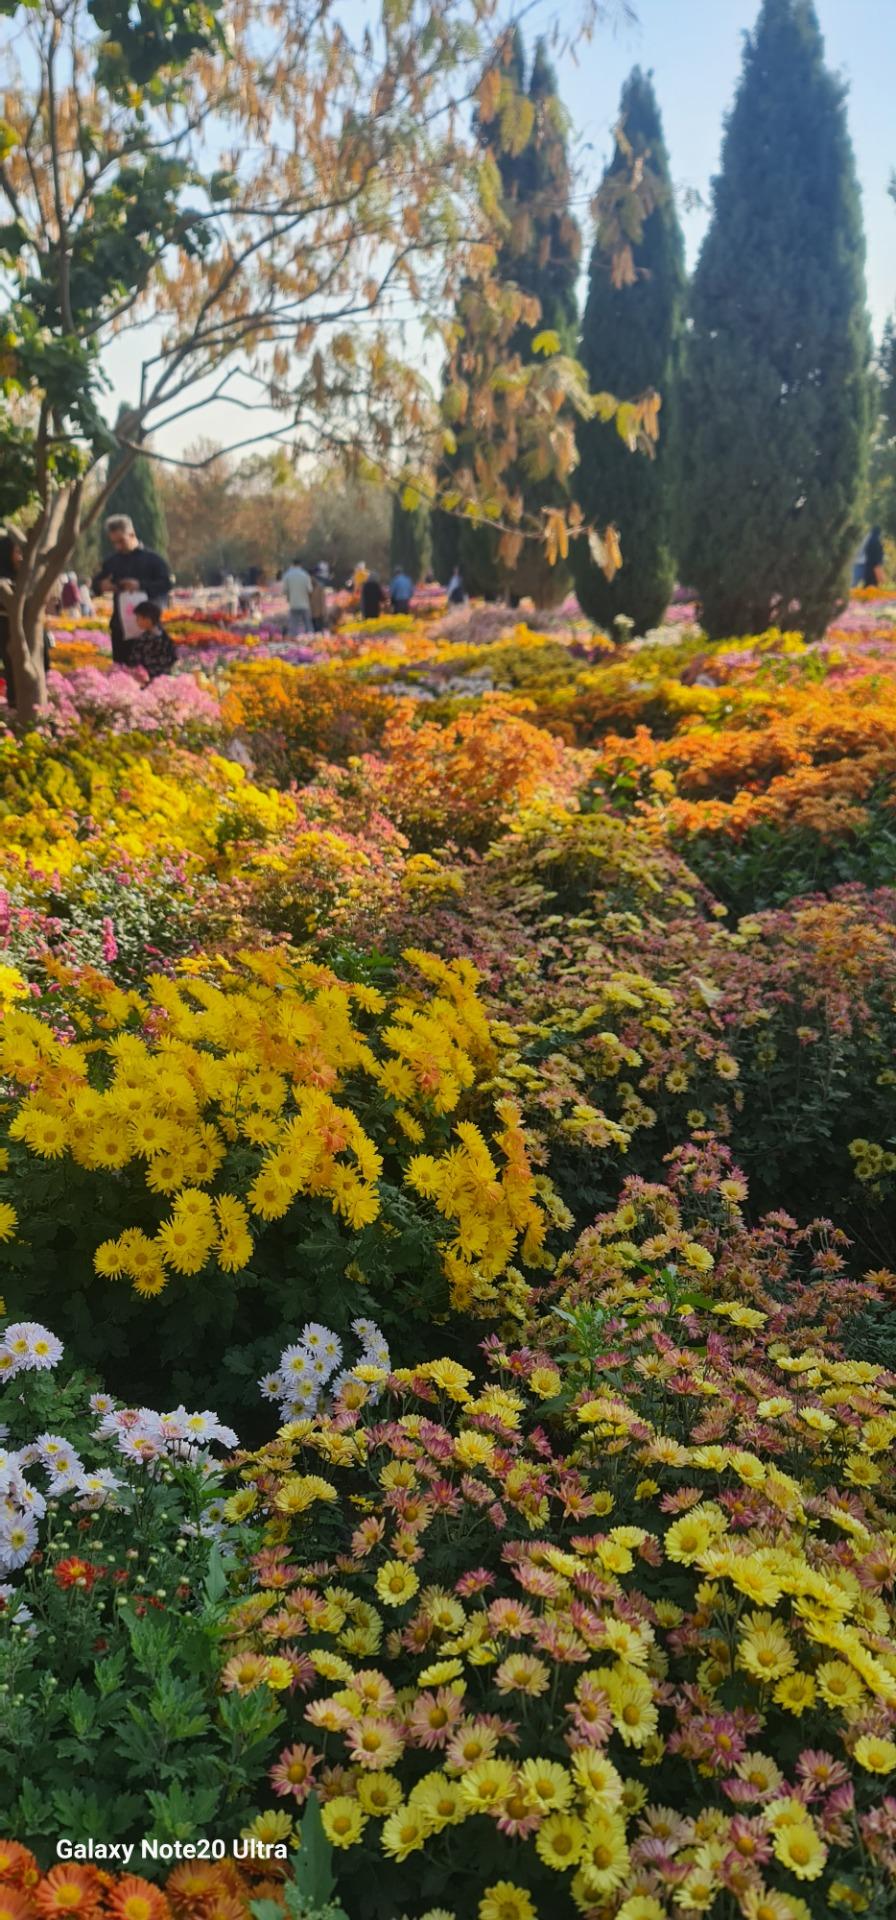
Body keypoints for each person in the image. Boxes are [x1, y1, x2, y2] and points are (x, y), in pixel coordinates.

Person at [92, 514, 173, 664]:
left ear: (132, 534)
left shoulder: (153, 560)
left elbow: (166, 584)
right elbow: (96, 584)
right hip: (121, 629)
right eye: (114, 542)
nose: (118, 546)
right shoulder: (112, 561)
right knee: (122, 675)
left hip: (148, 629)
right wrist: (102, 585)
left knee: (148, 674)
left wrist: (140, 585)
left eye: (121, 541)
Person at [0, 528, 52, 710]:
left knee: (41, 673)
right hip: (10, 632)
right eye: (17, 552)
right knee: (16, 675)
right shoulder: (4, 579)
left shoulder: (30, 574)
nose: (22, 557)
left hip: (35, 632)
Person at [124, 601, 177, 680]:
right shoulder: (165, 635)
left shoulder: (144, 639)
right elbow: (173, 657)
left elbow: (134, 660)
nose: (136, 621)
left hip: (147, 676)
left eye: (138, 618)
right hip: (165, 675)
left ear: (147, 620)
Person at [281, 556, 313, 635]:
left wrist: (290, 596)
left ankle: (293, 643)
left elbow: (284, 590)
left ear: (293, 564)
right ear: (300, 564)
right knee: (308, 625)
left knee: (293, 626)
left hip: (293, 604)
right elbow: (310, 590)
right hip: (305, 604)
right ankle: (311, 640)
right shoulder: (305, 575)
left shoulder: (287, 575)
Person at [310, 568, 328, 634]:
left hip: (316, 612)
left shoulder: (318, 586)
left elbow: (322, 600)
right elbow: (323, 600)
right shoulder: (319, 586)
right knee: (317, 629)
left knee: (317, 629)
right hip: (316, 612)